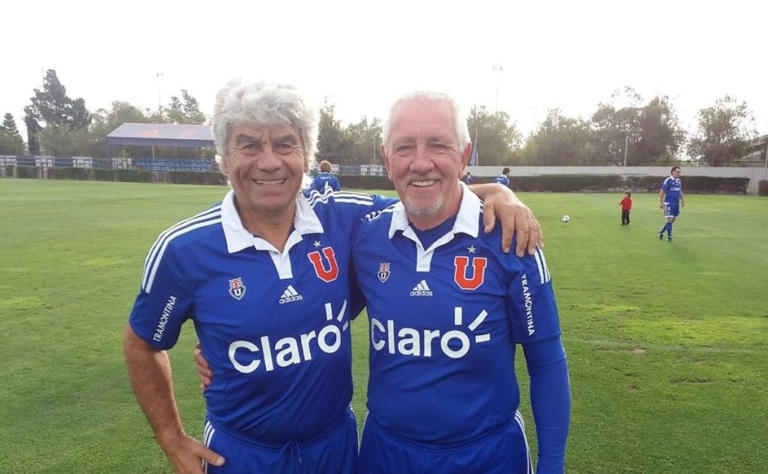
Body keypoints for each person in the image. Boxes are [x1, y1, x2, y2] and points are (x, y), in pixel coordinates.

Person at [126, 81, 543, 474]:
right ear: (224, 157)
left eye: (285, 144)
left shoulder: (345, 217)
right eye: (249, 145)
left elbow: (426, 191)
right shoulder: (184, 248)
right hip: (241, 453)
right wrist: (170, 436)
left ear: (307, 156)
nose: (268, 162)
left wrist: (498, 194)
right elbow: (141, 343)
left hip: (336, 449)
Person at [352, 92, 570, 474]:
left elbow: (547, 362)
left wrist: (552, 465)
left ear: (464, 156)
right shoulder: (365, 234)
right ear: (387, 160)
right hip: (385, 455)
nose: (421, 163)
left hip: (487, 457)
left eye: (438, 145)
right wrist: (215, 351)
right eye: (405, 148)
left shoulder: (511, 239)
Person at [658, 166, 684, 241]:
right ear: (673, 172)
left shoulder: (679, 181)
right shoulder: (668, 180)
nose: (679, 173)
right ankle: (669, 237)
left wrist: (682, 199)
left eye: (680, 172)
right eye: (678, 171)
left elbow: (680, 191)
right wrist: (661, 202)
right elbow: (662, 191)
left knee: (673, 219)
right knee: (669, 219)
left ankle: (661, 231)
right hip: (668, 203)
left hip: (676, 203)